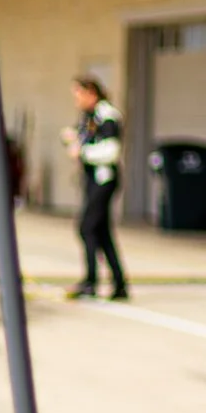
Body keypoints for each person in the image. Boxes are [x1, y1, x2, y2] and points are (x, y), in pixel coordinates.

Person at [64, 75, 127, 300]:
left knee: (87, 227)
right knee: (102, 231)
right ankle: (119, 283)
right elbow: (83, 137)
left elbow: (112, 150)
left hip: (104, 180)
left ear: (91, 92)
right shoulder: (88, 116)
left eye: (79, 95)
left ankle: (91, 281)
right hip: (92, 180)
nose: (77, 100)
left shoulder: (107, 115)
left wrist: (82, 152)